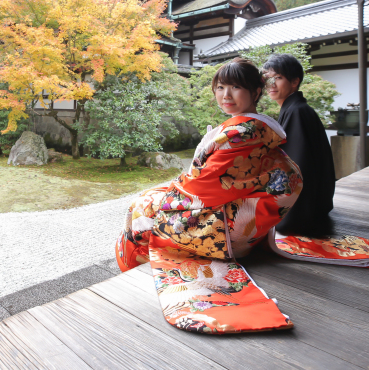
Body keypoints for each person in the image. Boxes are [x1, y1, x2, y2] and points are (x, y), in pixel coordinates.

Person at [115, 57, 303, 334]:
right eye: (220, 87)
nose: (225, 95)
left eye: (236, 87)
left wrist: (167, 191)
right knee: (151, 200)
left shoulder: (243, 132)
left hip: (229, 228)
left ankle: (135, 272)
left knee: (140, 210)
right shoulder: (252, 126)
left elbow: (203, 187)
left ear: (256, 92)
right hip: (244, 215)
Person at [262, 53, 335, 236]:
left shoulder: (297, 112)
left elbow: (298, 166)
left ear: (294, 82)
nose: (272, 84)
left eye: (278, 78)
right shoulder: (296, 108)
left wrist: (288, 217)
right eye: (269, 78)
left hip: (307, 208)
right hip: (316, 202)